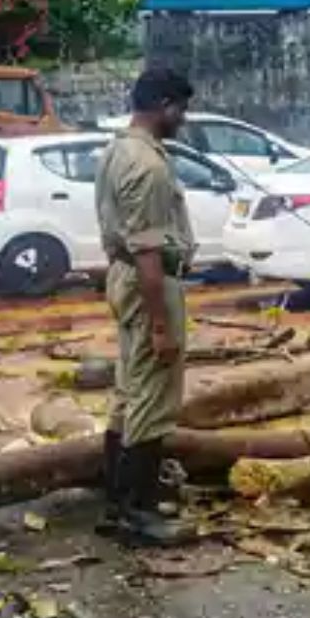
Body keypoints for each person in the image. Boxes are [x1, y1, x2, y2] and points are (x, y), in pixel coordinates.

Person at [94, 68, 197, 547]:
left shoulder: (118, 149)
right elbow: (149, 250)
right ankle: (139, 513)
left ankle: (117, 502)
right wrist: (161, 325)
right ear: (163, 106)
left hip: (124, 277)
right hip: (149, 282)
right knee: (152, 397)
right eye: (180, 109)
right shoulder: (149, 167)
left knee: (128, 390)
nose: (183, 119)